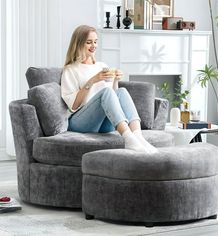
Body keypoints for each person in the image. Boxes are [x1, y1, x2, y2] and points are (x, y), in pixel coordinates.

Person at [61, 25, 157, 153]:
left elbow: (112, 96)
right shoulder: (71, 70)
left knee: (121, 91)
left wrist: (116, 80)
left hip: (103, 124)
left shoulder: (102, 66)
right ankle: (128, 138)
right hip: (80, 123)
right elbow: (73, 105)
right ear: (78, 44)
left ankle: (138, 137)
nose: (93, 46)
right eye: (89, 42)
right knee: (106, 92)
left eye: (95, 42)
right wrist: (93, 80)